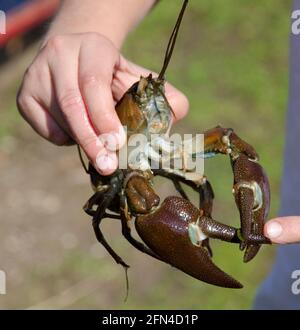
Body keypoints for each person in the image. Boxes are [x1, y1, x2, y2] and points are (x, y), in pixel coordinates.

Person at [16, 0, 300, 308]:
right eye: (146, 96)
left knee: (211, 166)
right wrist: (83, 30)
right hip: (127, 172)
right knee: (145, 204)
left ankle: (206, 230)